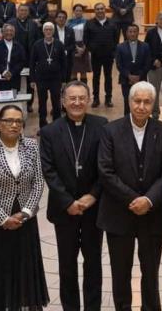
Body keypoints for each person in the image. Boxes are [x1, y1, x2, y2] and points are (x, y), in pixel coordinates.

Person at [97, 82, 162, 311]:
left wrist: (149, 200)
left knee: (151, 271)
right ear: (129, 102)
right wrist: (134, 199)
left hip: (153, 213)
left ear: (153, 104)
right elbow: (105, 171)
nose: (141, 106)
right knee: (120, 271)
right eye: (137, 101)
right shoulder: (110, 130)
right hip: (118, 213)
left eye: (147, 102)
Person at [39, 81, 107, 311]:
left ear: (88, 99)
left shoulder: (102, 126)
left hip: (93, 209)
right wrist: (68, 201)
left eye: (81, 98)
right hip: (63, 210)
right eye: (72, 98)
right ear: (63, 101)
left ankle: (92, 307)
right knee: (66, 265)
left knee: (93, 263)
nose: (77, 103)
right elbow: (48, 170)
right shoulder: (49, 131)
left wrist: (93, 196)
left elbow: (106, 167)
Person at [0, 105, 49, 310]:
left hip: (24, 220)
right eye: (9, 120)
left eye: (18, 121)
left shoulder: (32, 147)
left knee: (23, 269)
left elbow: (38, 183)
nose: (14, 125)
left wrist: (25, 212)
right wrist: (3, 218)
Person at [30, 22, 67, 128]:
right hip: (41, 78)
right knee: (42, 103)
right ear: (43, 31)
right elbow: (32, 63)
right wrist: (32, 79)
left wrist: (64, 80)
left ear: (53, 31)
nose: (48, 31)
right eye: (46, 29)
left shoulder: (59, 44)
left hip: (56, 78)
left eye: (50, 29)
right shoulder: (37, 44)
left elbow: (64, 63)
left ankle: (57, 126)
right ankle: (43, 126)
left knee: (56, 102)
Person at [84, 2, 118, 108]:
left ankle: (108, 99)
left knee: (108, 77)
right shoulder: (89, 23)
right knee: (96, 77)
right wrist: (91, 49)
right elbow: (86, 39)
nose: (99, 11)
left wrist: (113, 51)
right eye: (97, 9)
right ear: (95, 11)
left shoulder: (112, 23)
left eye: (101, 9)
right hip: (96, 55)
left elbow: (116, 38)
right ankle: (96, 99)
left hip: (108, 55)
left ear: (105, 10)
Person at [8, 4, 40, 109]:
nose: (23, 12)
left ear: (28, 12)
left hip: (30, 56)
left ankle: (29, 104)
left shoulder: (33, 24)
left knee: (30, 80)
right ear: (18, 11)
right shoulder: (11, 23)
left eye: (25, 11)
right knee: (15, 78)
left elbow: (38, 39)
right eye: (21, 10)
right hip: (15, 56)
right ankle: (15, 100)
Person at [115, 24, 152, 116]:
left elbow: (147, 63)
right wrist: (129, 76)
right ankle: (127, 122)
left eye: (134, 31)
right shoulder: (120, 47)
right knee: (128, 102)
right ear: (126, 33)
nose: (132, 34)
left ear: (138, 33)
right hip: (126, 80)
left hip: (141, 79)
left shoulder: (145, 46)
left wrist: (139, 76)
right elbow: (119, 64)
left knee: (141, 102)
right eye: (130, 31)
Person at [0, 23, 26, 94]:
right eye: (7, 31)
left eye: (11, 31)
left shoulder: (19, 46)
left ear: (14, 33)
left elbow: (22, 62)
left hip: (14, 79)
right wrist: (4, 71)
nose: (9, 33)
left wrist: (11, 72)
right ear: (2, 32)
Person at [68, 4, 90, 83]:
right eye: (76, 10)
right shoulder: (69, 22)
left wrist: (83, 48)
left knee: (83, 72)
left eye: (80, 10)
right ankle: (74, 92)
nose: (78, 12)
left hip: (84, 46)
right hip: (73, 46)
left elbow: (89, 36)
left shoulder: (87, 22)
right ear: (74, 11)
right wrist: (76, 47)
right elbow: (68, 36)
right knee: (73, 71)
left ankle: (83, 92)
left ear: (82, 12)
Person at [54, 10, 76, 84]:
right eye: (59, 17)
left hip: (67, 60)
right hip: (54, 59)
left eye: (63, 17)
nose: (61, 19)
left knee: (67, 81)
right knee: (56, 81)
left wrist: (66, 50)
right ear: (55, 19)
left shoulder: (70, 30)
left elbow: (73, 44)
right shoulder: (51, 30)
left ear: (66, 19)